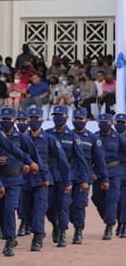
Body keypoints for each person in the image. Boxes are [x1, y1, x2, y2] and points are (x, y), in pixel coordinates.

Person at [0, 107, 40, 257]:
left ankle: (10, 240)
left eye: (9, 119)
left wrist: (30, 165)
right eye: (4, 119)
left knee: (9, 209)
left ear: (14, 120)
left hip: (15, 180)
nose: (6, 122)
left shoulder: (22, 138)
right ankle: (6, 231)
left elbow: (32, 155)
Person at [45, 105, 89, 247]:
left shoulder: (73, 136)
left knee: (64, 205)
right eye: (55, 115)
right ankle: (55, 224)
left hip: (67, 175)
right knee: (48, 205)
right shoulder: (47, 134)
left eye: (61, 115)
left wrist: (84, 179)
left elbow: (81, 159)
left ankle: (66, 232)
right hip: (50, 174)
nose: (58, 118)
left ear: (66, 117)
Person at [24, 107, 67, 252]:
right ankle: (52, 224)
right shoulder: (23, 138)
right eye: (31, 118)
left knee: (40, 207)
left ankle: (37, 237)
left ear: (42, 120)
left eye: (36, 118)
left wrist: (66, 181)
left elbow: (62, 160)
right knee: (25, 211)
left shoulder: (49, 139)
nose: (33, 121)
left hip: (43, 178)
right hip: (26, 178)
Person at [66, 108, 108, 244]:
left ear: (86, 120)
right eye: (76, 119)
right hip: (69, 173)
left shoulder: (93, 138)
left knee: (79, 204)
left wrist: (104, 178)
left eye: (81, 119)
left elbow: (100, 160)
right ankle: (72, 222)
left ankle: (78, 231)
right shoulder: (68, 135)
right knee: (66, 203)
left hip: (84, 174)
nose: (78, 121)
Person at [90, 114, 123, 240]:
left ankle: (109, 226)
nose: (103, 125)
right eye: (101, 123)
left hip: (114, 172)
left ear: (111, 123)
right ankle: (109, 218)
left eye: (106, 123)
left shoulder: (118, 138)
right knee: (96, 198)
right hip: (98, 173)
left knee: (112, 199)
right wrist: (91, 171)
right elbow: (88, 156)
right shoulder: (94, 137)